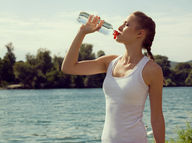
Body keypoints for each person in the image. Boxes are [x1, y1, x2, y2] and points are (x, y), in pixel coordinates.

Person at [61, 11, 165, 143]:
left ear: (140, 33)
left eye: (126, 24)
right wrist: (82, 32)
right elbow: (68, 67)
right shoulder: (110, 62)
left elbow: (157, 117)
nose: (119, 27)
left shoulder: (151, 70)